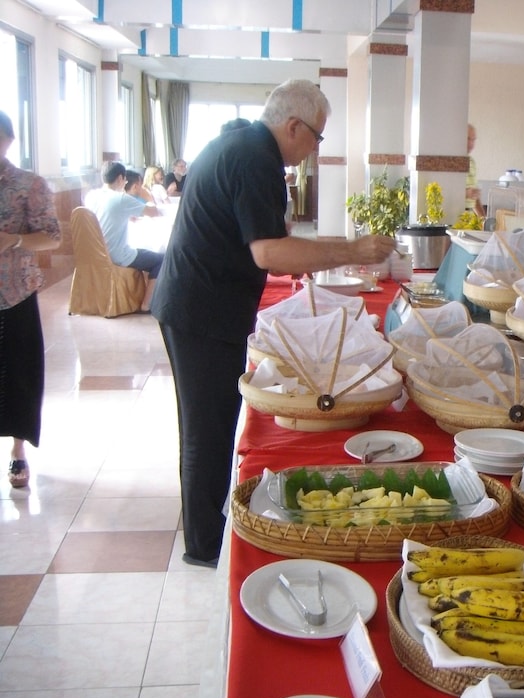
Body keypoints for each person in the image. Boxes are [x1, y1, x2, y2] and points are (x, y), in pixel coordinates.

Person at [150, 79, 395, 567]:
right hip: (201, 310)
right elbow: (270, 253)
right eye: (317, 137)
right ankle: (203, 546)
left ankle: (207, 533)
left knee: (209, 425)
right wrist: (353, 250)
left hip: (197, 302)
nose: (315, 149)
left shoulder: (244, 144)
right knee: (206, 430)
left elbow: (264, 235)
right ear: (293, 126)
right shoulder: (256, 157)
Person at [0, 111, 61, 489]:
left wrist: (14, 239)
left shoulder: (28, 184)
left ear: (8, 141)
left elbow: (52, 236)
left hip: (14, 293)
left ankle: (18, 449)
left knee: (19, 374)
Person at [84, 161, 163, 311]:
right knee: (161, 260)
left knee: (146, 254)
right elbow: (153, 212)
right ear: (120, 178)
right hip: (116, 254)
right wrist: (146, 195)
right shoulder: (120, 198)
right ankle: (147, 304)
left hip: (94, 252)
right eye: (125, 180)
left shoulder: (91, 196)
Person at [466, 124, 484, 218]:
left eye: (473, 140)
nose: (471, 143)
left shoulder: (472, 162)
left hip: (469, 215)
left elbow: (475, 197)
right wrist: (466, 193)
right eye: (468, 139)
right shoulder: (451, 161)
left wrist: (483, 219)